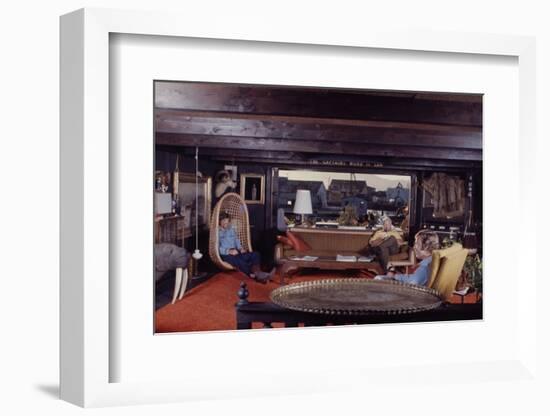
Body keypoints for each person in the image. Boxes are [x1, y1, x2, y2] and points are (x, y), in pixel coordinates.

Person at [218, 212, 274, 283]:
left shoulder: (231, 229)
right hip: (226, 255)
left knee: (256, 254)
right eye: (224, 221)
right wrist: (228, 251)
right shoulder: (217, 232)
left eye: (227, 221)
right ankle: (253, 274)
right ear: (219, 221)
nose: (226, 223)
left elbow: (236, 240)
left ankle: (258, 273)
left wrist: (240, 248)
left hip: (237, 252)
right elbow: (217, 249)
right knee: (240, 261)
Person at [374, 230, 440, 286]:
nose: (414, 247)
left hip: (414, 295)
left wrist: (393, 277)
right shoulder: (432, 260)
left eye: (417, 244)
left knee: (378, 279)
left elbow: (413, 281)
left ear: (426, 247)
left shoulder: (425, 267)